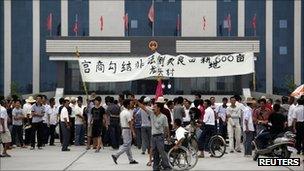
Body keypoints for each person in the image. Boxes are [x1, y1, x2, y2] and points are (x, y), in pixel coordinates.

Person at [136, 97, 170, 170]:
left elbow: (166, 128)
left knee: (162, 152)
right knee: (155, 152)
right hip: (153, 137)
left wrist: (168, 137)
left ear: (159, 108)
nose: (153, 109)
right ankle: (156, 167)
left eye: (155, 107)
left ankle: (167, 166)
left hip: (160, 137)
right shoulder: (151, 114)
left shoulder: (164, 117)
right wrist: (136, 101)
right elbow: (143, 107)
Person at [111, 99, 138, 165]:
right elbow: (130, 124)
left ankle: (131, 159)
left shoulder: (122, 112)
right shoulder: (127, 113)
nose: (132, 104)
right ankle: (115, 155)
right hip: (127, 130)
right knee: (126, 145)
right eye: (131, 103)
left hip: (123, 129)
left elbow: (121, 123)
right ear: (128, 105)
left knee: (128, 145)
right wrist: (133, 132)